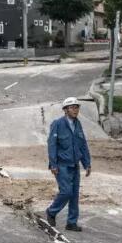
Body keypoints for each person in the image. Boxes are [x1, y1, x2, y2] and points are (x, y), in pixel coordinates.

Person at [46, 97, 92, 231]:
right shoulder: (57, 124)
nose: (75, 110)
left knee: (74, 195)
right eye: (72, 107)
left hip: (74, 165)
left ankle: (71, 222)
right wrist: (53, 164)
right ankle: (51, 211)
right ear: (65, 110)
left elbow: (83, 145)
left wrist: (87, 163)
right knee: (66, 192)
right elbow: (52, 145)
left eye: (77, 107)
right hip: (61, 165)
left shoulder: (78, 124)